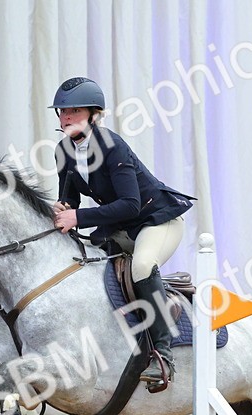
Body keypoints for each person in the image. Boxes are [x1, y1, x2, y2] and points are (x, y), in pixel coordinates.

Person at [50, 77, 195, 387]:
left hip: (156, 219)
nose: (65, 118)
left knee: (142, 265)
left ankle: (163, 355)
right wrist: (62, 209)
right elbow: (70, 198)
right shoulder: (63, 150)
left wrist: (77, 216)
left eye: (73, 111)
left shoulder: (112, 146)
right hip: (120, 225)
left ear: (93, 114)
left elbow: (131, 204)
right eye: (62, 112)